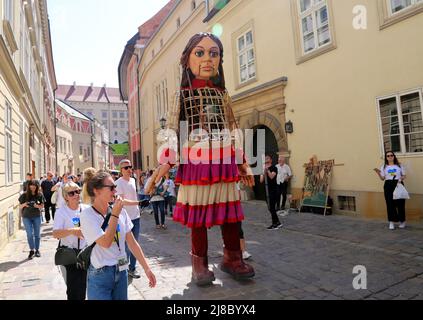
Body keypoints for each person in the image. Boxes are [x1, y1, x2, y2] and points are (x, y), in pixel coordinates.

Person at [148, 32, 255, 286]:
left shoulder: (223, 95)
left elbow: (232, 128)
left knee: (231, 214)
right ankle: (199, 264)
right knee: (198, 217)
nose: (208, 59)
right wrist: (165, 162)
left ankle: (232, 257)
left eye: (214, 53)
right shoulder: (181, 96)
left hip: (225, 160)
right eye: (200, 52)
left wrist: (243, 163)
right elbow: (172, 130)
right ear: (187, 60)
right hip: (196, 162)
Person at [80, 171, 156, 300]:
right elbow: (106, 243)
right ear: (97, 191)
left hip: (121, 271)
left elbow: (132, 243)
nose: (115, 191)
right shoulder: (87, 215)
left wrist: (147, 268)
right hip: (100, 275)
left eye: (115, 187)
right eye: (111, 188)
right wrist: (114, 215)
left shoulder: (121, 212)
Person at [52, 182, 88, 300]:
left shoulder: (86, 209)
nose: (76, 194)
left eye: (78, 191)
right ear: (66, 196)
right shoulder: (61, 212)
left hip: (86, 253)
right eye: (72, 193)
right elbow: (55, 234)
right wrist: (72, 231)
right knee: (73, 288)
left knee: (84, 286)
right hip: (70, 255)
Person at [115, 159, 143, 279]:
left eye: (130, 167)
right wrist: (139, 202)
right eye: (126, 168)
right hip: (123, 219)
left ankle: (132, 268)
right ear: (121, 170)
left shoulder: (133, 180)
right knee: (123, 246)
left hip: (136, 217)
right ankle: (122, 270)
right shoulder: (118, 183)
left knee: (134, 243)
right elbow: (122, 201)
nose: (129, 169)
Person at [374, 151, 407, 230]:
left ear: (394, 156)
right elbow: (382, 178)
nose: (390, 157)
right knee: (389, 203)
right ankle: (391, 222)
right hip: (388, 184)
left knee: (400, 203)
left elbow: (404, 175)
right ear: (386, 157)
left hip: (398, 183)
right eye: (388, 156)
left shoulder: (399, 165)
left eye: (391, 155)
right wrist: (378, 172)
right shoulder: (384, 166)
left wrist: (400, 179)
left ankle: (402, 221)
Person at [18, 180, 45, 259]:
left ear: (36, 186)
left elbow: (42, 206)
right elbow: (20, 207)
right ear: (28, 186)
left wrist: (37, 206)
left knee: (37, 234)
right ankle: (31, 250)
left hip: (36, 216)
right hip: (26, 217)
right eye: (31, 185)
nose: (33, 187)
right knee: (30, 234)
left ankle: (37, 250)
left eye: (34, 185)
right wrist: (24, 204)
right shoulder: (24, 195)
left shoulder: (39, 195)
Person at [260, 154, 283, 230]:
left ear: (270, 160)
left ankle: (274, 224)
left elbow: (272, 177)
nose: (266, 159)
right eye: (265, 158)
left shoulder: (274, 168)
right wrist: (263, 171)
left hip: (273, 190)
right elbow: (261, 180)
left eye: (267, 158)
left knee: (272, 207)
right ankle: (277, 222)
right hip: (267, 191)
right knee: (270, 208)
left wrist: (268, 170)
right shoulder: (263, 169)